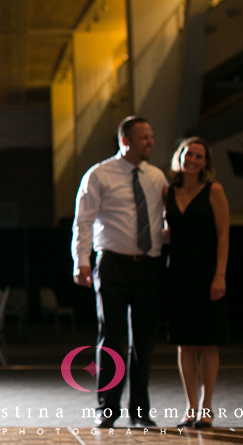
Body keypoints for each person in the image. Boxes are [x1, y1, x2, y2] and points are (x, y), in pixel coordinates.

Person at [72, 116, 169, 428]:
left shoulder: (156, 177)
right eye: (144, 138)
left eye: (151, 137)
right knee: (112, 339)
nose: (150, 143)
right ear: (125, 141)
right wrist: (81, 262)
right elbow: (83, 220)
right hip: (112, 264)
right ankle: (108, 410)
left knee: (144, 341)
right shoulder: (99, 175)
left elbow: (167, 218)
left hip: (149, 266)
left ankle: (140, 412)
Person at [164, 137, 229, 429]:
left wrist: (220, 274)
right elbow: (167, 231)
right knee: (184, 344)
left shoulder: (214, 190)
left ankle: (207, 407)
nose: (192, 160)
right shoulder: (167, 191)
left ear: (206, 163)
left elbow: (224, 234)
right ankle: (190, 408)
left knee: (208, 342)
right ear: (180, 157)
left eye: (199, 156)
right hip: (177, 272)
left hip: (206, 272)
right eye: (189, 154)